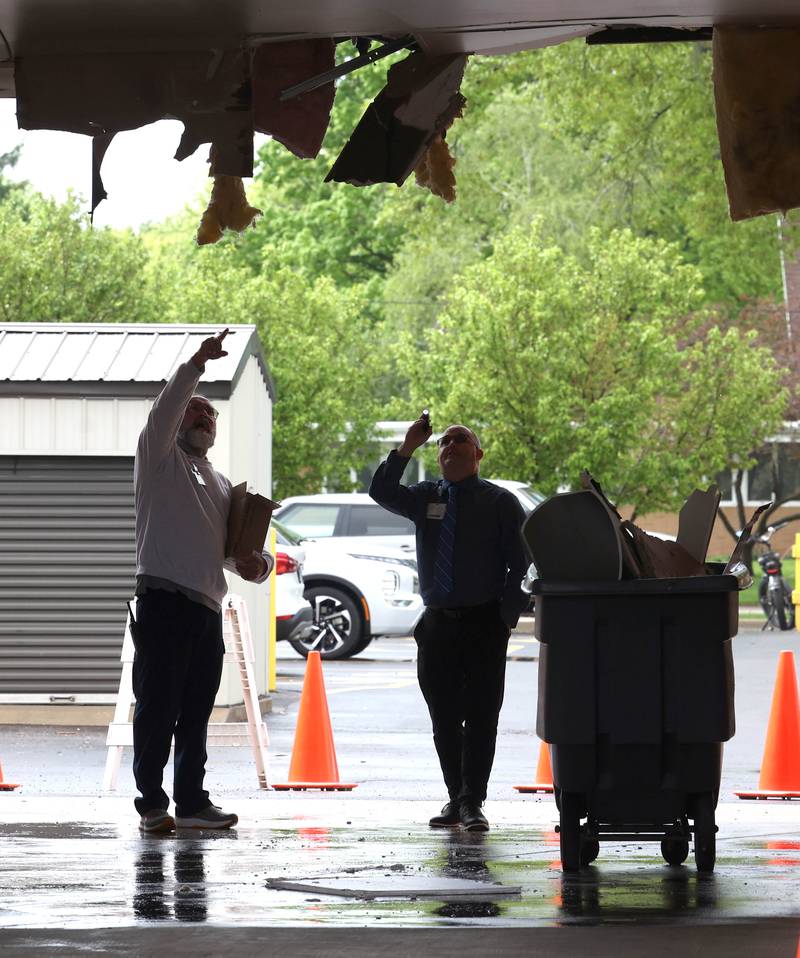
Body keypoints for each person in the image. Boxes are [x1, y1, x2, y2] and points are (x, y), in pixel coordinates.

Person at [132, 329, 273, 833]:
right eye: (196, 411)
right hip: (163, 602)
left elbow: (237, 553)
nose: (203, 417)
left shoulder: (217, 482)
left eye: (210, 414)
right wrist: (197, 363)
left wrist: (261, 566)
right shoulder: (158, 457)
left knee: (194, 713)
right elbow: (163, 410)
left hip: (205, 609)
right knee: (157, 707)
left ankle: (191, 802)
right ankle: (152, 804)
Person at [369, 417, 528, 831]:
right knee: (443, 717)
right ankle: (456, 798)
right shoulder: (426, 497)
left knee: (480, 717)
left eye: (462, 440)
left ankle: (473, 800)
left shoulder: (500, 502)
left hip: (483, 623)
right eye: (444, 442)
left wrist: (505, 617)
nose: (450, 446)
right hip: (438, 625)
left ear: (478, 455)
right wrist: (407, 446)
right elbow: (381, 491)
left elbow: (520, 563)